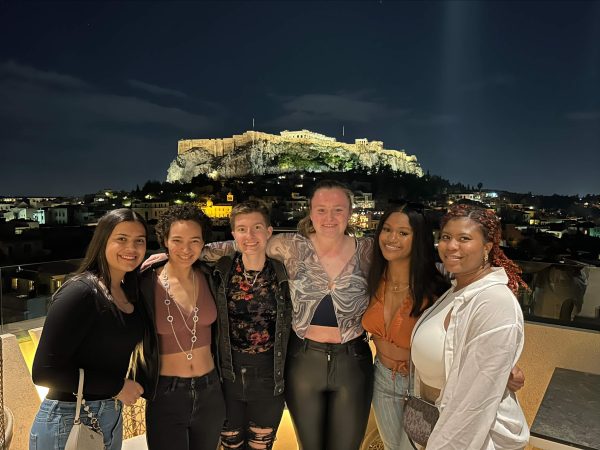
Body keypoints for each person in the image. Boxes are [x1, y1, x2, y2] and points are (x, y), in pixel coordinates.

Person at [265, 180, 374, 450]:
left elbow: (415, 265)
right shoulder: (290, 245)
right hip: (303, 361)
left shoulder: (368, 250)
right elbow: (244, 246)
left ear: (349, 213)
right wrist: (167, 257)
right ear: (310, 212)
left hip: (353, 362)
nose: (329, 217)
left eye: (338, 210)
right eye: (321, 209)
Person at [411, 203, 529, 449]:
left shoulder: (494, 302)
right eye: (446, 237)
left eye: (464, 238)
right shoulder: (456, 290)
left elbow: (474, 403)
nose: (451, 246)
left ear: (487, 247)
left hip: (469, 438)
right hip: (438, 424)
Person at [30, 208, 147, 450]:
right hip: (68, 418)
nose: (132, 249)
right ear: (103, 241)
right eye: (121, 239)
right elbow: (44, 372)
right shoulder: (81, 291)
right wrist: (117, 386)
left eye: (139, 241)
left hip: (108, 415)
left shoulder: (128, 292)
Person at [134, 204, 225, 450]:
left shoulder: (212, 276)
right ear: (164, 240)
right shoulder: (145, 282)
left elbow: (245, 244)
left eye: (195, 241)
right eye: (177, 240)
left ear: (204, 242)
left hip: (211, 390)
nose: (186, 249)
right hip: (166, 393)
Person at [362, 203, 449, 450]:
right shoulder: (371, 276)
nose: (392, 238)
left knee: (414, 448)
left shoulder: (436, 288)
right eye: (387, 230)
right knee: (392, 446)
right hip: (381, 376)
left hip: (420, 383)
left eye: (403, 233)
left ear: (418, 238)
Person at [213, 200, 292, 450]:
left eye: (257, 227)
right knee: (231, 445)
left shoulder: (283, 272)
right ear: (234, 234)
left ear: (269, 232)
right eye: (242, 229)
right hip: (228, 376)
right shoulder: (221, 271)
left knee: (261, 446)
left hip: (269, 377)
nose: (250, 235)